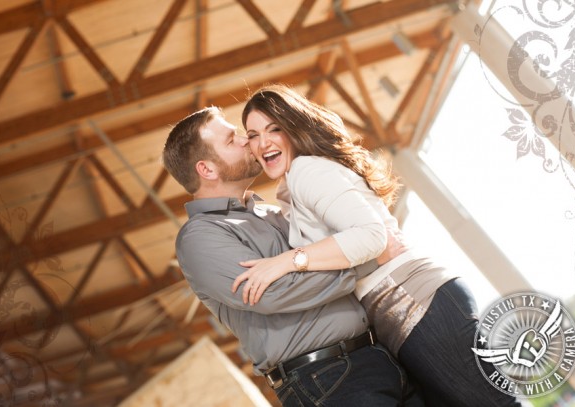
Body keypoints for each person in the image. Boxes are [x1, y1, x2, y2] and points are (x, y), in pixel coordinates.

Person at [234, 84, 522, 407]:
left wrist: (289, 260)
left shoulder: (306, 169)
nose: (263, 143)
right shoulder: (294, 187)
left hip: (414, 302)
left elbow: (372, 237)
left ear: (295, 127)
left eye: (274, 128)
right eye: (253, 135)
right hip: (401, 313)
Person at [161, 106, 424, 406]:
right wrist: (363, 261)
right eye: (232, 139)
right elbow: (272, 292)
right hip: (326, 379)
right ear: (207, 169)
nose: (248, 141)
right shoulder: (200, 238)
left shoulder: (271, 212)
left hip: (376, 354)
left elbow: (328, 251)